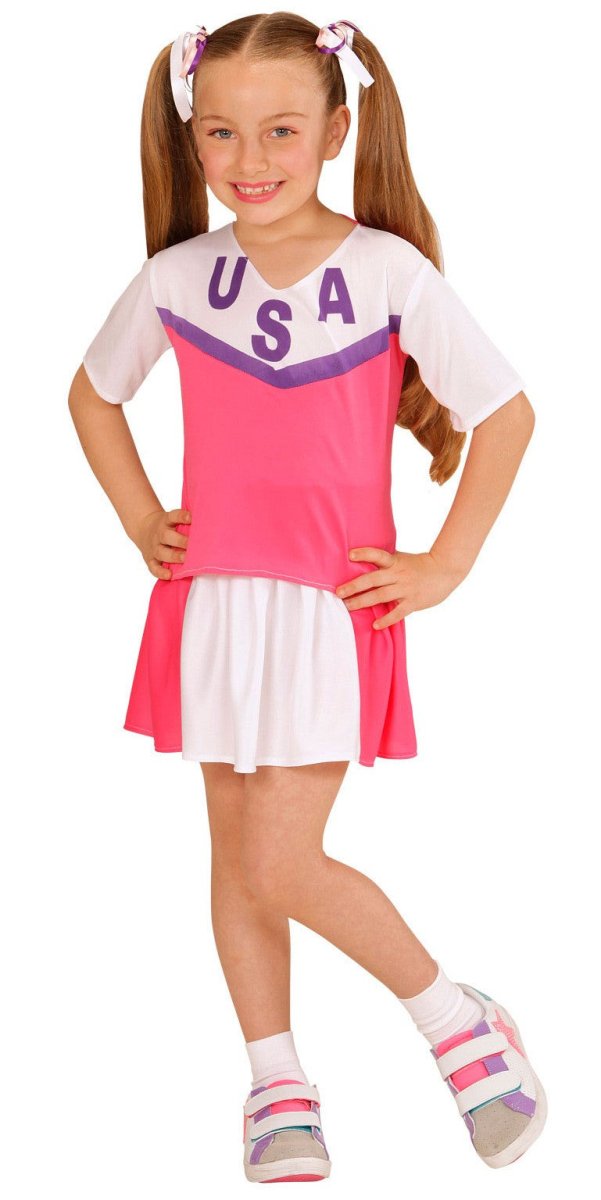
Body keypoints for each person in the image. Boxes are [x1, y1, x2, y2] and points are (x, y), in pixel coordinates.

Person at [68, 13, 547, 1181]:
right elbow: (91, 396)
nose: (250, 158)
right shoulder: (178, 278)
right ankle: (276, 1080)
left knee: (282, 859)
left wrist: (444, 564)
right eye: (221, 133)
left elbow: (505, 413)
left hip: (329, 608)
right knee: (237, 857)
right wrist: (140, 518)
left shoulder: (385, 271)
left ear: (337, 132)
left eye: (281, 130)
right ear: (191, 139)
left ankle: (455, 1020)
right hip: (213, 605)